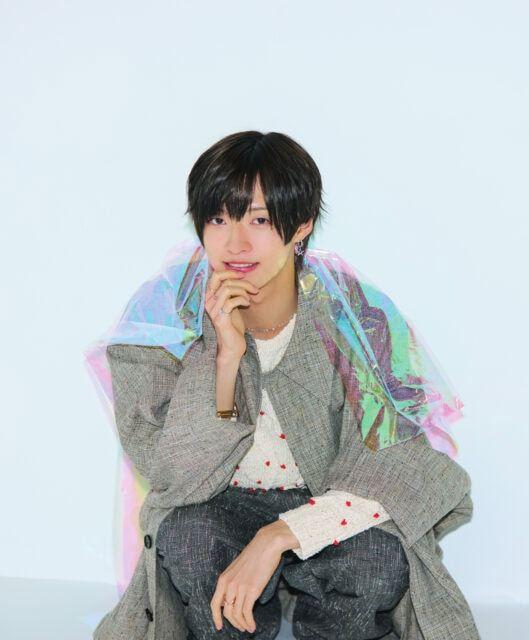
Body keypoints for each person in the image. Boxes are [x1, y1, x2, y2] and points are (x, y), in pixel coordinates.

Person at [93, 131, 480, 640]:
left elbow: (401, 462)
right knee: (187, 539)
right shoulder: (164, 320)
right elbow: (171, 475)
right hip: (217, 504)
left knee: (378, 561)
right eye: (218, 219)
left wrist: (281, 534)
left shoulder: (353, 315)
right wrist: (225, 359)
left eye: (257, 220)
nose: (235, 243)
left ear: (301, 226)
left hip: (322, 502)